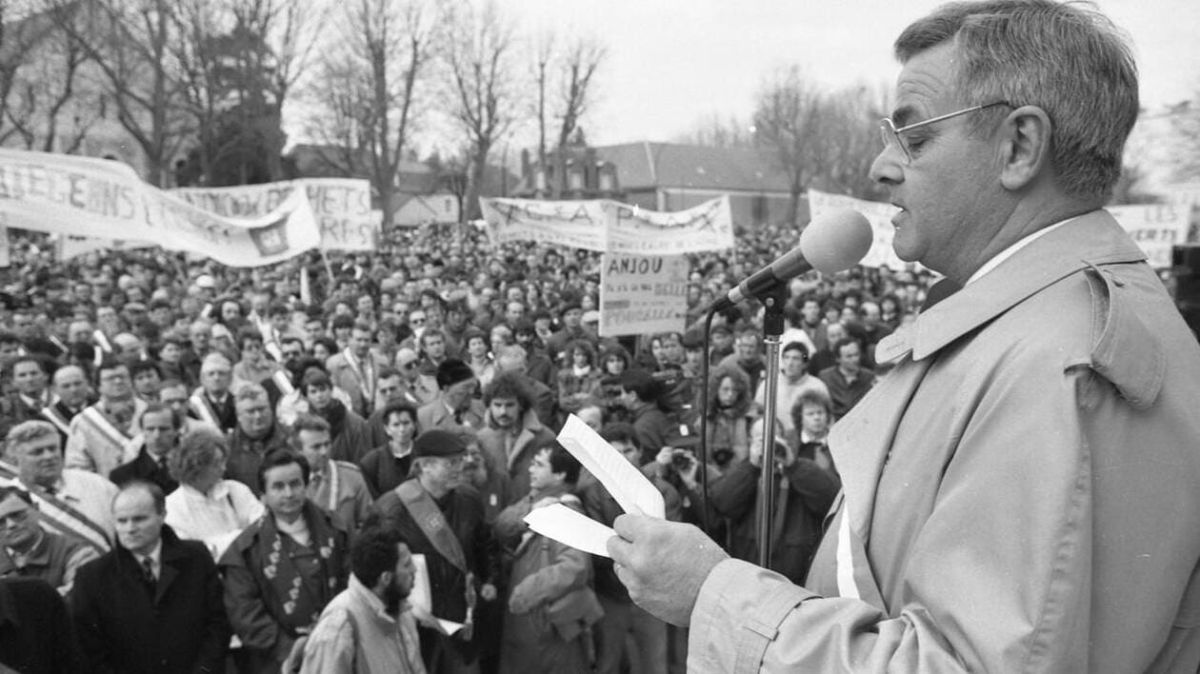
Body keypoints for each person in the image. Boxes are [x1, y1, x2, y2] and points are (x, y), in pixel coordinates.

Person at [605, 2, 1200, 672]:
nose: (880, 168)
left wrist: (714, 596)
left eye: (913, 138)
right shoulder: (1032, 329)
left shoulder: (1059, 363)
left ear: (1019, 147)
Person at [371, 429, 500, 674]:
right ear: (424, 466)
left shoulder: (469, 499)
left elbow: (485, 544)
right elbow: (375, 570)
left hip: (462, 618)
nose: (460, 468)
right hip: (415, 623)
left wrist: (490, 579)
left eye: (460, 460)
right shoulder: (391, 510)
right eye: (451, 463)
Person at [71, 481, 230, 673]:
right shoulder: (92, 577)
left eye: (139, 519)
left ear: (162, 516)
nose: (130, 528)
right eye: (121, 521)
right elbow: (89, 647)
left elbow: (218, 623)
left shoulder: (196, 557)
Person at [220, 449, 351, 674]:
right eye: (278, 487)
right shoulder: (244, 552)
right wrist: (294, 652)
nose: (289, 493)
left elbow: (354, 587)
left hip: (342, 651)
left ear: (306, 486)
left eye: (295, 484)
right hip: (280, 663)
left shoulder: (337, 530)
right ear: (262, 495)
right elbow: (246, 616)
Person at [494, 443, 600, 674]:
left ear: (560, 474)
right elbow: (502, 526)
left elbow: (575, 566)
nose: (531, 469)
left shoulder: (566, 512)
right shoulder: (540, 501)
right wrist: (531, 508)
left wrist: (527, 590)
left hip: (545, 623)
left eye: (539, 464)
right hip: (534, 621)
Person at [298, 526, 427, 674]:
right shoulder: (339, 627)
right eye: (407, 564)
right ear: (386, 578)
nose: (414, 569)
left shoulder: (402, 610)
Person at [5, 420, 117, 553]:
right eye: (37, 452)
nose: (48, 456)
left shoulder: (96, 483)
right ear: (15, 459)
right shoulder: (8, 501)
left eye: (53, 448)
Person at [164, 426, 264, 558]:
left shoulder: (236, 489)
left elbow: (263, 526)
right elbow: (193, 552)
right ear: (196, 466)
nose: (223, 468)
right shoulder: (172, 507)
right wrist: (241, 537)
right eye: (216, 463)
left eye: (223, 461)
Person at [0, 484, 99, 595]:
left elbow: (79, 598)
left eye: (17, 515)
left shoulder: (77, 552)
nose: (11, 525)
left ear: (36, 509)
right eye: (0, 522)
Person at [475, 372, 556, 504]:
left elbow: (553, 481)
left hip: (534, 507)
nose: (503, 412)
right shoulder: (482, 438)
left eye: (509, 405)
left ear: (521, 405)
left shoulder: (545, 437)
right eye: (497, 405)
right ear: (489, 406)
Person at [63, 358, 147, 478]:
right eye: (110, 378)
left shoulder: (150, 410)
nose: (118, 381)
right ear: (98, 386)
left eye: (122, 376)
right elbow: (77, 467)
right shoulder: (84, 421)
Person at [291, 413, 373, 534]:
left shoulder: (352, 477)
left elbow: (370, 524)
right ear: (298, 450)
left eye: (327, 444)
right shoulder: (287, 482)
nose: (324, 452)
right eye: (316, 447)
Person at [225, 383, 290, 495]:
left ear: (271, 409)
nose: (258, 416)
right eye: (251, 411)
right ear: (239, 416)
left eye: (261, 409)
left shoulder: (291, 437)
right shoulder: (226, 449)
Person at [302, 368, 374, 465]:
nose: (319, 395)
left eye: (322, 390)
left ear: (331, 390)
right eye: (313, 392)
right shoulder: (302, 426)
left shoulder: (355, 423)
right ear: (306, 396)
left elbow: (365, 460)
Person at [110, 402, 182, 494]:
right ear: (142, 431)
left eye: (163, 429)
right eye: (150, 429)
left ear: (176, 431)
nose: (156, 436)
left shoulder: (194, 470)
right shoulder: (121, 476)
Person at [327, 320, 388, 417]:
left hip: (378, 417)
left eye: (366, 340)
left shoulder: (381, 361)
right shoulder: (334, 364)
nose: (363, 344)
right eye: (359, 340)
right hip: (349, 417)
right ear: (349, 339)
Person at [359, 400, 419, 497]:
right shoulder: (372, 462)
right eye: (396, 425)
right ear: (387, 429)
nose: (402, 429)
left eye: (406, 423)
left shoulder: (425, 453)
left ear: (414, 425)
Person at [417, 359, 485, 432]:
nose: (471, 392)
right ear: (446, 389)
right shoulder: (424, 416)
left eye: (473, 386)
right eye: (465, 387)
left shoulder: (482, 408)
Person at [816, 336, 875, 420]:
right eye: (849, 356)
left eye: (856, 354)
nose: (855, 359)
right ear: (838, 359)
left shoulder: (869, 377)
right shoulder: (825, 377)